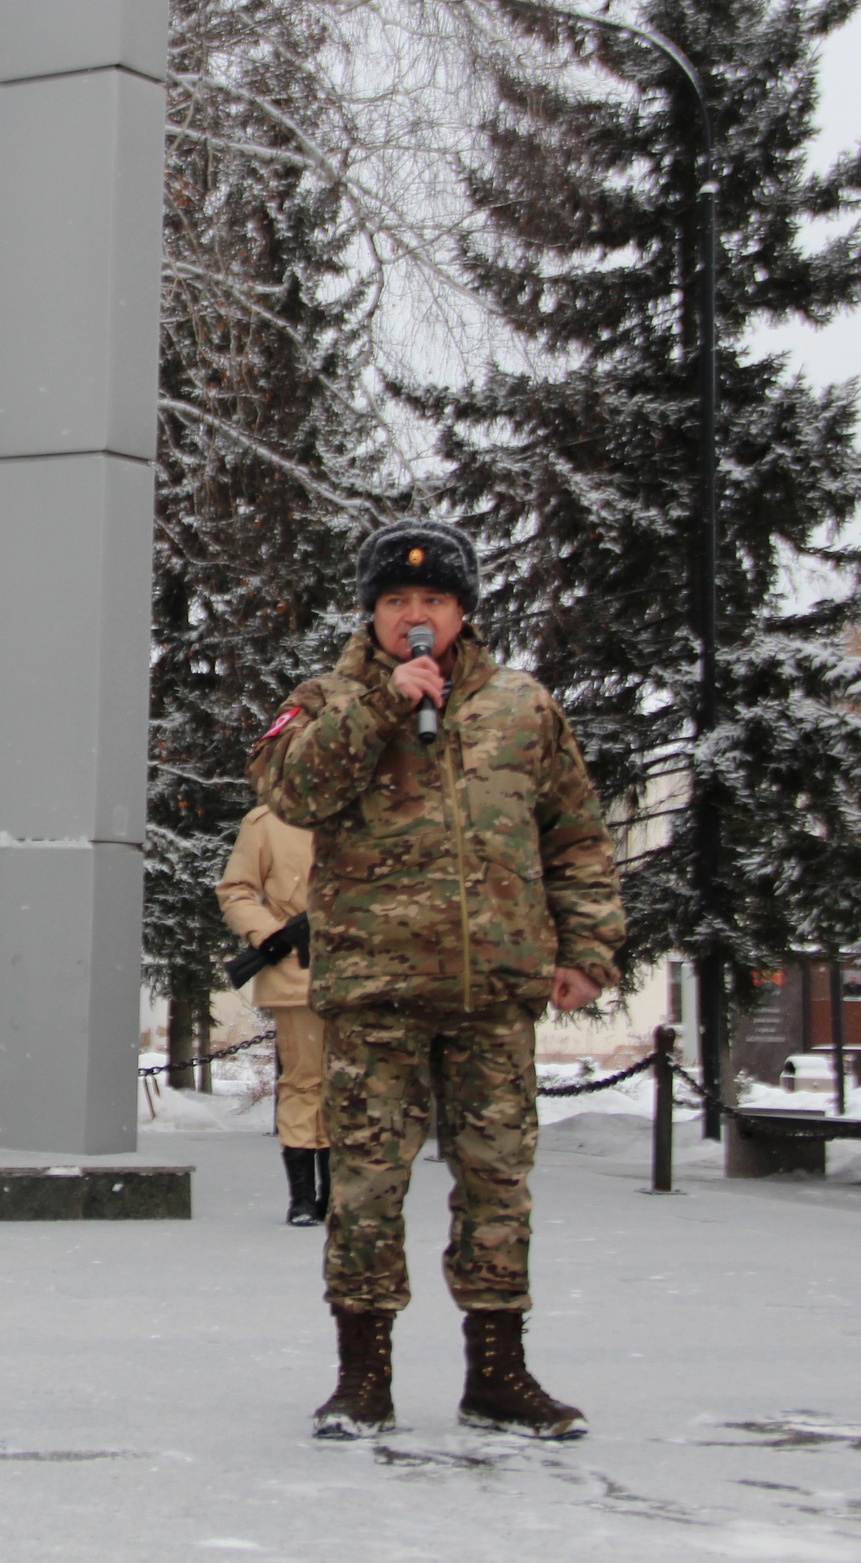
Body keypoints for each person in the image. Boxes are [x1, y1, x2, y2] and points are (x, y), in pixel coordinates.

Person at [248, 518, 623, 1442]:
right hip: (377, 992)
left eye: (434, 602)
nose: (416, 617)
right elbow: (290, 792)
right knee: (368, 1185)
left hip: (493, 990)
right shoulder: (325, 696)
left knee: (498, 1183)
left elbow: (574, 834)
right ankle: (362, 1377)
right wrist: (382, 705)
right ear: (372, 612)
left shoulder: (524, 707)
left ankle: (498, 1373)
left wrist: (585, 949)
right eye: (397, 602)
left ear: (463, 612)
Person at [217, 805, 326, 1226]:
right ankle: (302, 1199)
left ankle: (336, 1197)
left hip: (360, 972)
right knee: (304, 1083)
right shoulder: (268, 821)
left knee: (349, 1087)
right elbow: (236, 891)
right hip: (296, 973)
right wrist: (272, 936)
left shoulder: (365, 806)